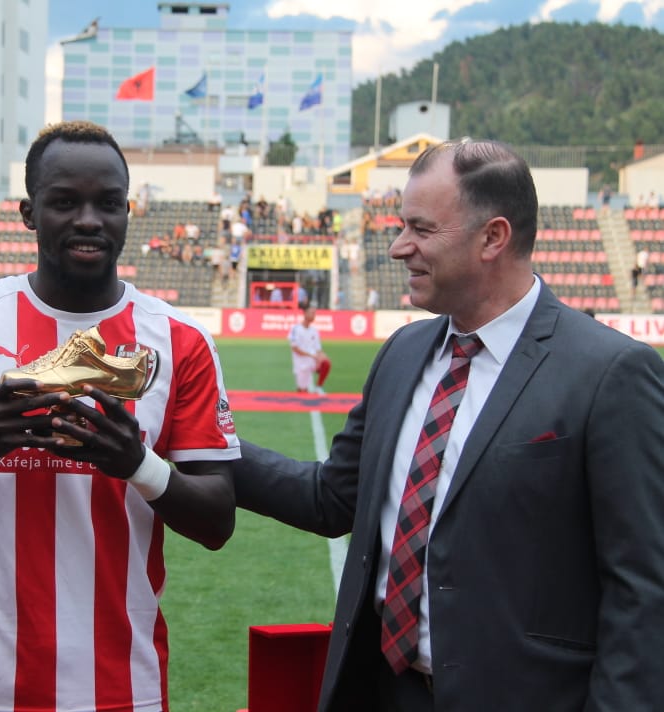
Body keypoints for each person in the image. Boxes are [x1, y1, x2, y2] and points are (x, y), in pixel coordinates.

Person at [232, 140, 664, 710]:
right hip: (387, 692)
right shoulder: (403, 353)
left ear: (493, 238)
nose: (398, 247)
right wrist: (204, 443)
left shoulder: (610, 373)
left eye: (421, 229)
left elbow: (643, 591)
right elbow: (332, 498)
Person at [0, 121, 240, 712]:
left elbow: (218, 520)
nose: (89, 220)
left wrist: (137, 464)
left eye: (109, 203)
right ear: (29, 213)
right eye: (66, 202)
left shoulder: (180, 339)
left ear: (128, 212)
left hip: (124, 684)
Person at [288, 305, 330, 394]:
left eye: (314, 313)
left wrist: (321, 356)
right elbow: (295, 348)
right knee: (303, 391)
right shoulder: (296, 329)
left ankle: (319, 386)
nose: (314, 315)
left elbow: (318, 348)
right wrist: (312, 355)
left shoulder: (314, 330)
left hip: (312, 361)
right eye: (312, 313)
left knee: (326, 363)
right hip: (301, 363)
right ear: (305, 314)